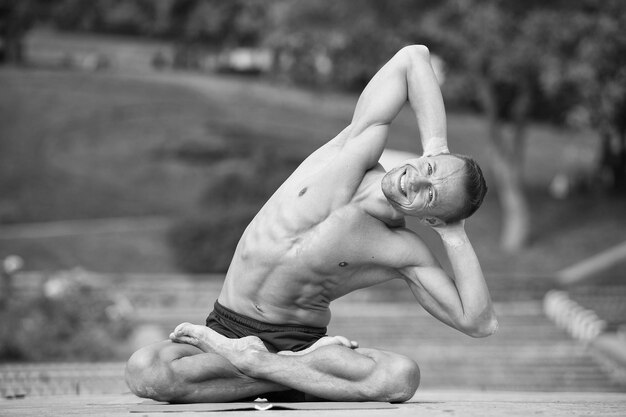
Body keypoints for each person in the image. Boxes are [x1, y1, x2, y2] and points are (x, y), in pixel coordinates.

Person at [125, 45, 497, 404]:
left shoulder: (401, 250)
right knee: (147, 371)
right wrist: (437, 147)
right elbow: (413, 57)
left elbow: (478, 322)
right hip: (233, 332)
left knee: (401, 377)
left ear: (430, 218)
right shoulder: (354, 148)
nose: (414, 180)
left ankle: (260, 365)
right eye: (428, 169)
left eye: (430, 196)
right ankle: (290, 378)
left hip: (300, 347)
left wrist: (453, 231)